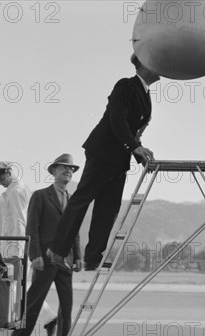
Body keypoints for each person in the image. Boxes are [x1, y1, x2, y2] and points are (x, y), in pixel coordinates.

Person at [47, 54, 160, 272]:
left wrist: (139, 155)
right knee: (82, 200)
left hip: (119, 158)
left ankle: (93, 257)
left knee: (108, 209)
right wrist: (134, 147)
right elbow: (117, 119)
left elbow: (133, 131)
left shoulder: (146, 95)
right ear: (145, 65)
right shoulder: (126, 85)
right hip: (103, 152)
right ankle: (57, 250)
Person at [10, 154, 82, 336]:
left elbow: (74, 230)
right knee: (35, 299)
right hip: (46, 257)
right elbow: (31, 228)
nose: (68, 171)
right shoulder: (40, 196)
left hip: (66, 259)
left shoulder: (73, 199)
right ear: (54, 171)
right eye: (64, 168)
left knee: (67, 303)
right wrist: (36, 256)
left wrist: (78, 256)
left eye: (71, 169)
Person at [0, 161, 58, 336]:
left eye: (0, 177)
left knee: (14, 288)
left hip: (16, 246)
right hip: (13, 245)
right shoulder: (16, 189)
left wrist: (18, 249)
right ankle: (48, 319)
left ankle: (48, 319)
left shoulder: (15, 191)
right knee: (17, 288)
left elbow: (21, 220)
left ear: (8, 173)